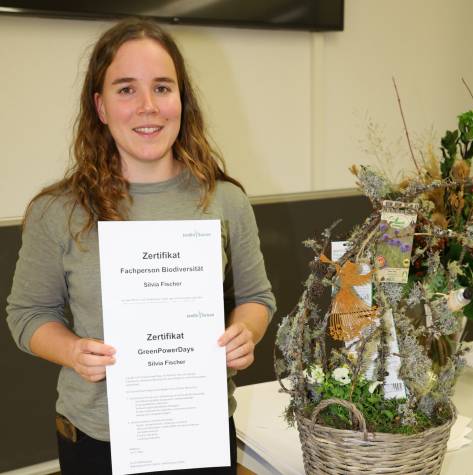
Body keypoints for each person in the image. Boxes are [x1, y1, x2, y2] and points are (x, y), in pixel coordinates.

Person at [6, 17, 276, 475]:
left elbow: (256, 298)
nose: (148, 106)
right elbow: (26, 314)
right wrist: (72, 351)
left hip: (200, 430)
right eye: (126, 89)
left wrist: (245, 332)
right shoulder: (59, 211)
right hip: (98, 441)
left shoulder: (225, 199)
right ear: (101, 106)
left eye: (163, 88)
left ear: (182, 100)